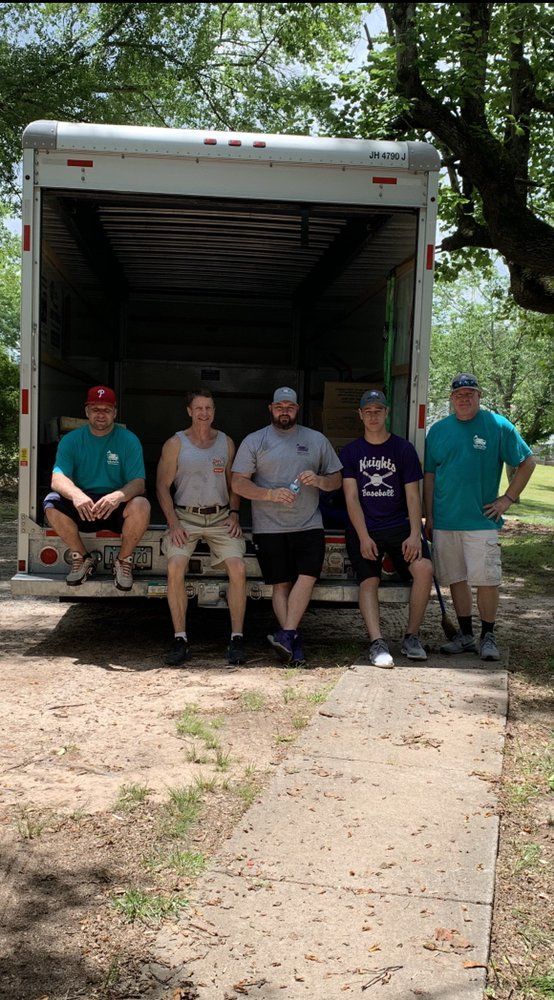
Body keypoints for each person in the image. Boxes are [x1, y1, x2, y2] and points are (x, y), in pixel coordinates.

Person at [424, 373, 535, 661]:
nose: (464, 398)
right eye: (459, 394)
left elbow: (527, 461)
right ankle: (465, 636)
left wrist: (507, 499)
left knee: (487, 580)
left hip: (481, 522)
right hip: (446, 521)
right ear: (451, 399)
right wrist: (429, 515)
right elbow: (430, 476)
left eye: (470, 393)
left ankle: (488, 635)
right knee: (456, 579)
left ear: (478, 396)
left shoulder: (497, 425)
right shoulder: (438, 431)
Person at [231, 387, 343, 666]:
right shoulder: (255, 441)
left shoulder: (316, 440)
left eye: (289, 407)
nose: (284, 411)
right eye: (279, 406)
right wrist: (269, 494)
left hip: (308, 524)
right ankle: (293, 643)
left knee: (307, 577)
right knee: (281, 585)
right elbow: (238, 483)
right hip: (269, 527)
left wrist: (319, 480)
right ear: (270, 408)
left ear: (297, 408)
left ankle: (287, 634)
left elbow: (337, 479)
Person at [341, 389, 433, 668]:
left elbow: (413, 495)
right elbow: (351, 497)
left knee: (425, 569)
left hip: (399, 526)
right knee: (369, 581)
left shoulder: (403, 449)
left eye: (378, 411)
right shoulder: (351, 452)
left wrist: (415, 534)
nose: (373, 416)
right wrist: (363, 536)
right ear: (360, 415)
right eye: (368, 411)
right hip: (365, 528)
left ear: (386, 413)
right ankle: (377, 643)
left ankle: (411, 636)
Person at [156, 390, 247, 667]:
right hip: (186, 517)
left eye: (209, 408)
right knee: (175, 567)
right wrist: (173, 523)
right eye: (199, 408)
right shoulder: (176, 443)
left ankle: (237, 638)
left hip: (220, 517)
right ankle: (181, 638)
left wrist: (234, 514)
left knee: (239, 569)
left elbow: (235, 484)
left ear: (214, 411)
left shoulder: (226, 442)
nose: (204, 413)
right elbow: (161, 485)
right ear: (189, 411)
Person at [43, 385, 150, 590]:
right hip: (85, 504)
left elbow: (138, 483)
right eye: (95, 409)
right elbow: (57, 478)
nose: (101, 414)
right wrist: (76, 495)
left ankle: (123, 561)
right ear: (86, 411)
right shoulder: (71, 440)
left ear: (115, 413)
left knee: (142, 505)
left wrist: (117, 496)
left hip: (114, 504)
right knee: (51, 503)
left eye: (107, 410)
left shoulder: (128, 440)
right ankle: (82, 557)